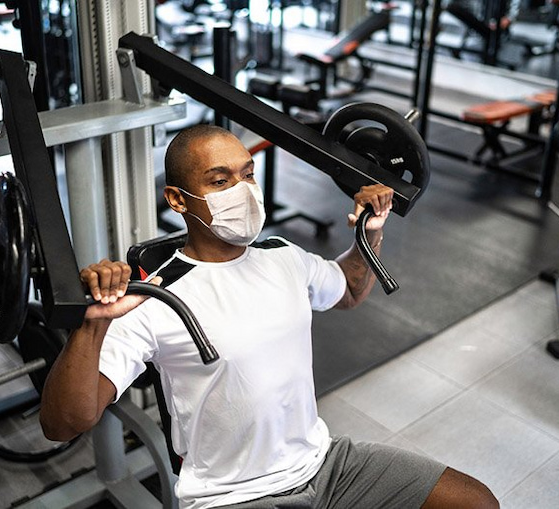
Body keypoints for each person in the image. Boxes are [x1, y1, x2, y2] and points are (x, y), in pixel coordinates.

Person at [40, 125, 499, 508]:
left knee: (475, 502)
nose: (241, 192)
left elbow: (350, 291)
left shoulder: (282, 255)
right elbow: (62, 424)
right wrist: (94, 324)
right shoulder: (155, 297)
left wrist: (368, 233)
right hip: (234, 496)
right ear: (178, 201)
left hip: (327, 464)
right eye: (220, 182)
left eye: (247, 175)